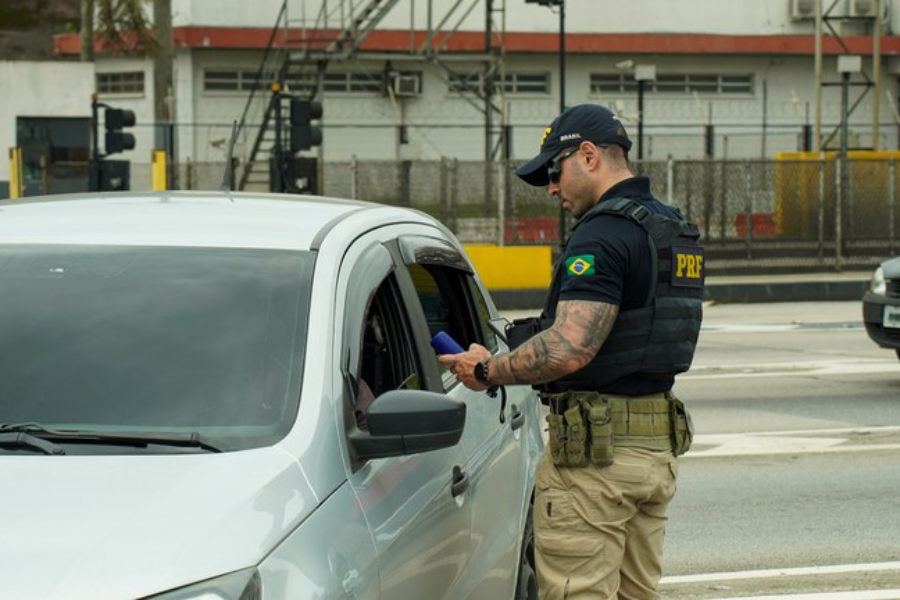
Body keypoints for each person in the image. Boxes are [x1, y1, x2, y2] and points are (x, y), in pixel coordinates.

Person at [439, 103, 704, 600]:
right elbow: (628, 327)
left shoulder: (601, 235)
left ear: (587, 156)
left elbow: (570, 348)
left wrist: (486, 369)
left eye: (553, 173)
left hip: (596, 464)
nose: (552, 189)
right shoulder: (670, 229)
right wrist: (511, 339)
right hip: (653, 453)